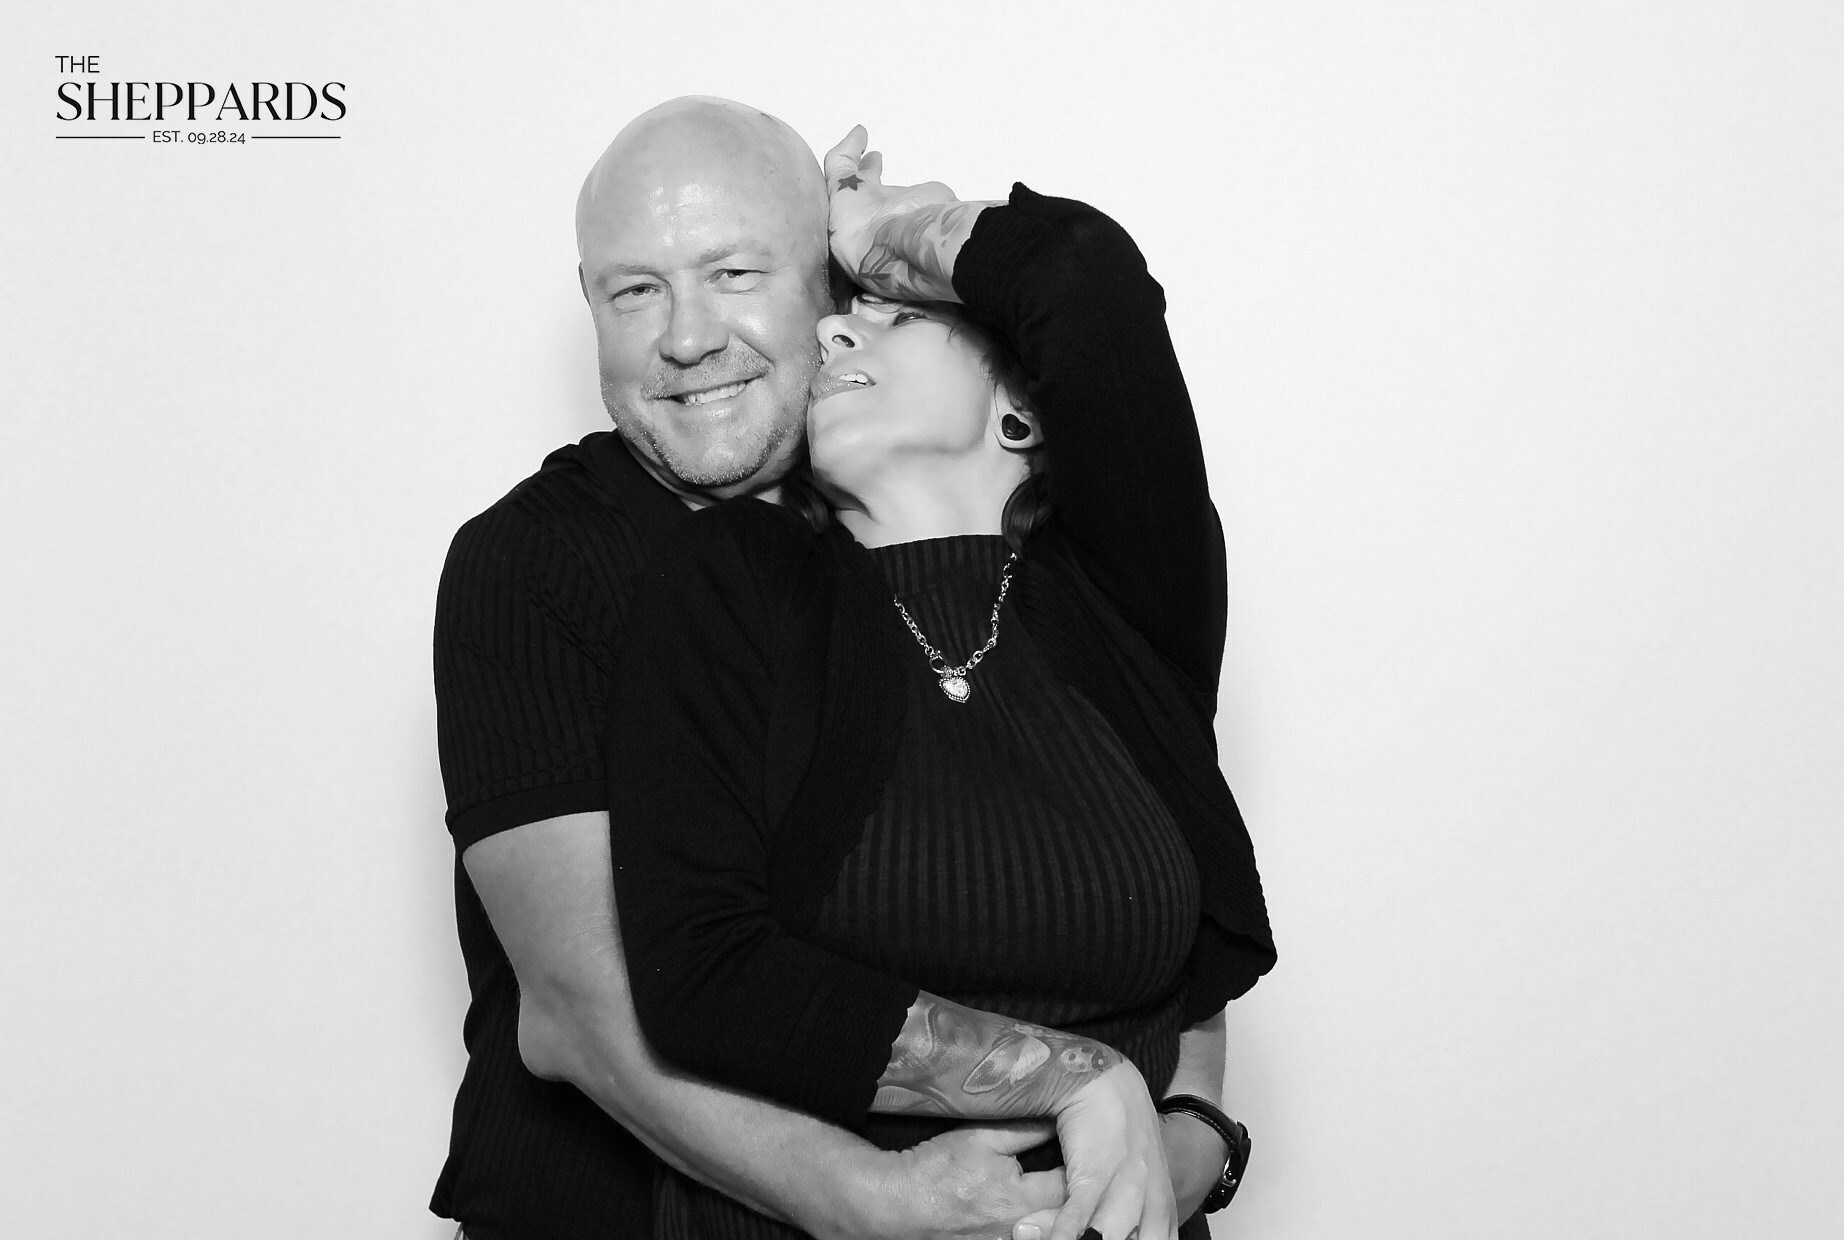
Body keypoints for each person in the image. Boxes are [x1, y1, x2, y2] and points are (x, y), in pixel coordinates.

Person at [604, 128, 1277, 1240]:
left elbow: (1078, 276)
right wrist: (1075, 1076)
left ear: (1020, 410)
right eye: (841, 316)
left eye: (896, 318)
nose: (834, 328)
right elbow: (701, 973)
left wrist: (881, 237)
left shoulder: (1124, 598)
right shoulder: (732, 583)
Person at [432, 98, 1072, 1240]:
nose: (685, 338)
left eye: (733, 274)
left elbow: (1147, 871)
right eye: (634, 291)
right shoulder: (537, 559)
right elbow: (579, 1010)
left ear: (832, 285)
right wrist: (870, 1200)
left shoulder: (943, 523)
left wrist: (1184, 1136)